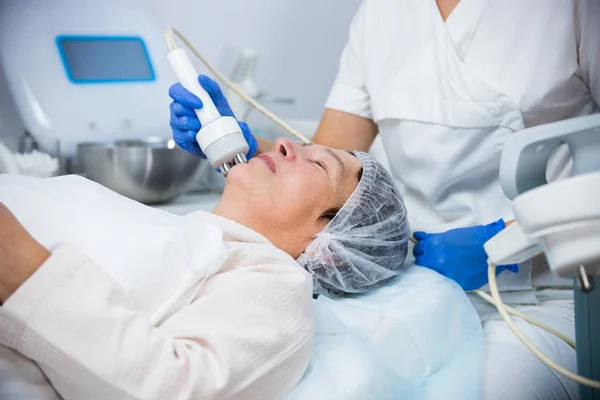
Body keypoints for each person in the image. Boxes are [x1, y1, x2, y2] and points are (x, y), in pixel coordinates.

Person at [168, 0, 600, 397]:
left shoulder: (572, 11)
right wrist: (244, 149)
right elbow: (333, 157)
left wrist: (516, 241)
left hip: (547, 292)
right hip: (403, 278)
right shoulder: (382, 13)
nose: (283, 145)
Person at [0, 139, 410, 400]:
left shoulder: (275, 282)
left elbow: (175, 386)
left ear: (329, 250)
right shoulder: (183, 233)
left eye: (320, 165)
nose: (285, 144)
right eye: (305, 145)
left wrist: (23, 271)